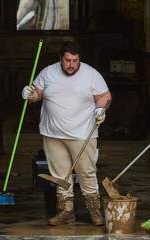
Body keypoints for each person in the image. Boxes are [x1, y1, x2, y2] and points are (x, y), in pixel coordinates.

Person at [22, 41, 111, 226]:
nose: (71, 64)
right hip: (53, 133)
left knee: (86, 172)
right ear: (60, 58)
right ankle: (66, 212)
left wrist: (100, 109)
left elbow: (105, 96)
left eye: (75, 60)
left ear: (80, 59)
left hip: (82, 133)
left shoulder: (91, 74)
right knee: (60, 175)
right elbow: (38, 94)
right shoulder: (47, 72)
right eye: (67, 60)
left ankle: (94, 211)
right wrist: (30, 94)